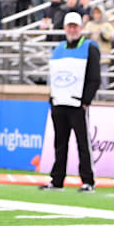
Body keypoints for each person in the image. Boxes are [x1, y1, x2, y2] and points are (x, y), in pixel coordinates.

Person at [41, 12, 100, 192]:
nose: (72, 29)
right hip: (60, 103)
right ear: (65, 28)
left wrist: (85, 100)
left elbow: (94, 77)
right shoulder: (59, 48)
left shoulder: (89, 47)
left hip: (77, 104)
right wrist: (52, 99)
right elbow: (55, 76)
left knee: (82, 143)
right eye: (69, 26)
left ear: (81, 28)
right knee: (60, 143)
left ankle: (88, 180)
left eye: (75, 26)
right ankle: (57, 179)